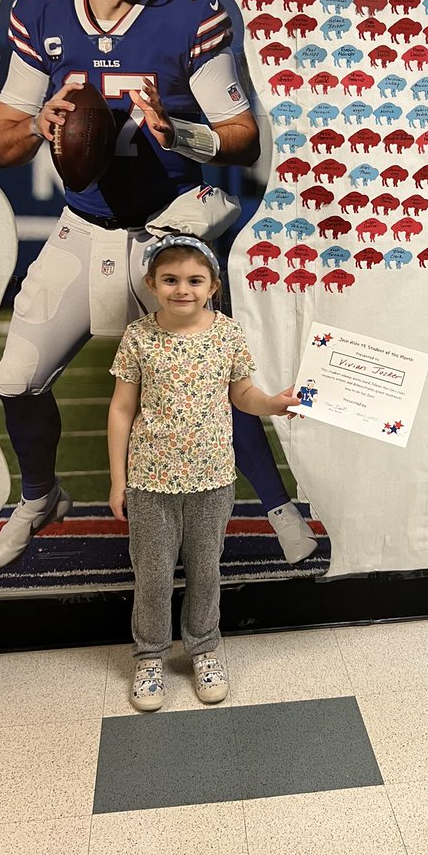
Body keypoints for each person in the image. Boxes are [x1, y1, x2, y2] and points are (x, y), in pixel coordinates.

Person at [0, 0, 316, 572]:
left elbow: (241, 132)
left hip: (171, 228)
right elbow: (1, 143)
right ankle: (41, 496)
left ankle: (277, 507)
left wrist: (180, 131)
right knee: (16, 380)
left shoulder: (190, 12)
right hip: (84, 225)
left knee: (213, 380)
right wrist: (43, 124)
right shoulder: (38, 10)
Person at [108, 234, 297, 709]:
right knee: (151, 575)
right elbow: (121, 409)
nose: (182, 289)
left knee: (205, 571)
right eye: (170, 279)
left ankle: (204, 648)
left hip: (212, 479)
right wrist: (118, 479)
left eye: (195, 280)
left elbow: (243, 396)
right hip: (150, 481)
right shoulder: (139, 336)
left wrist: (272, 404)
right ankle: (150, 656)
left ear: (213, 285)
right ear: (151, 283)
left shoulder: (228, 333)